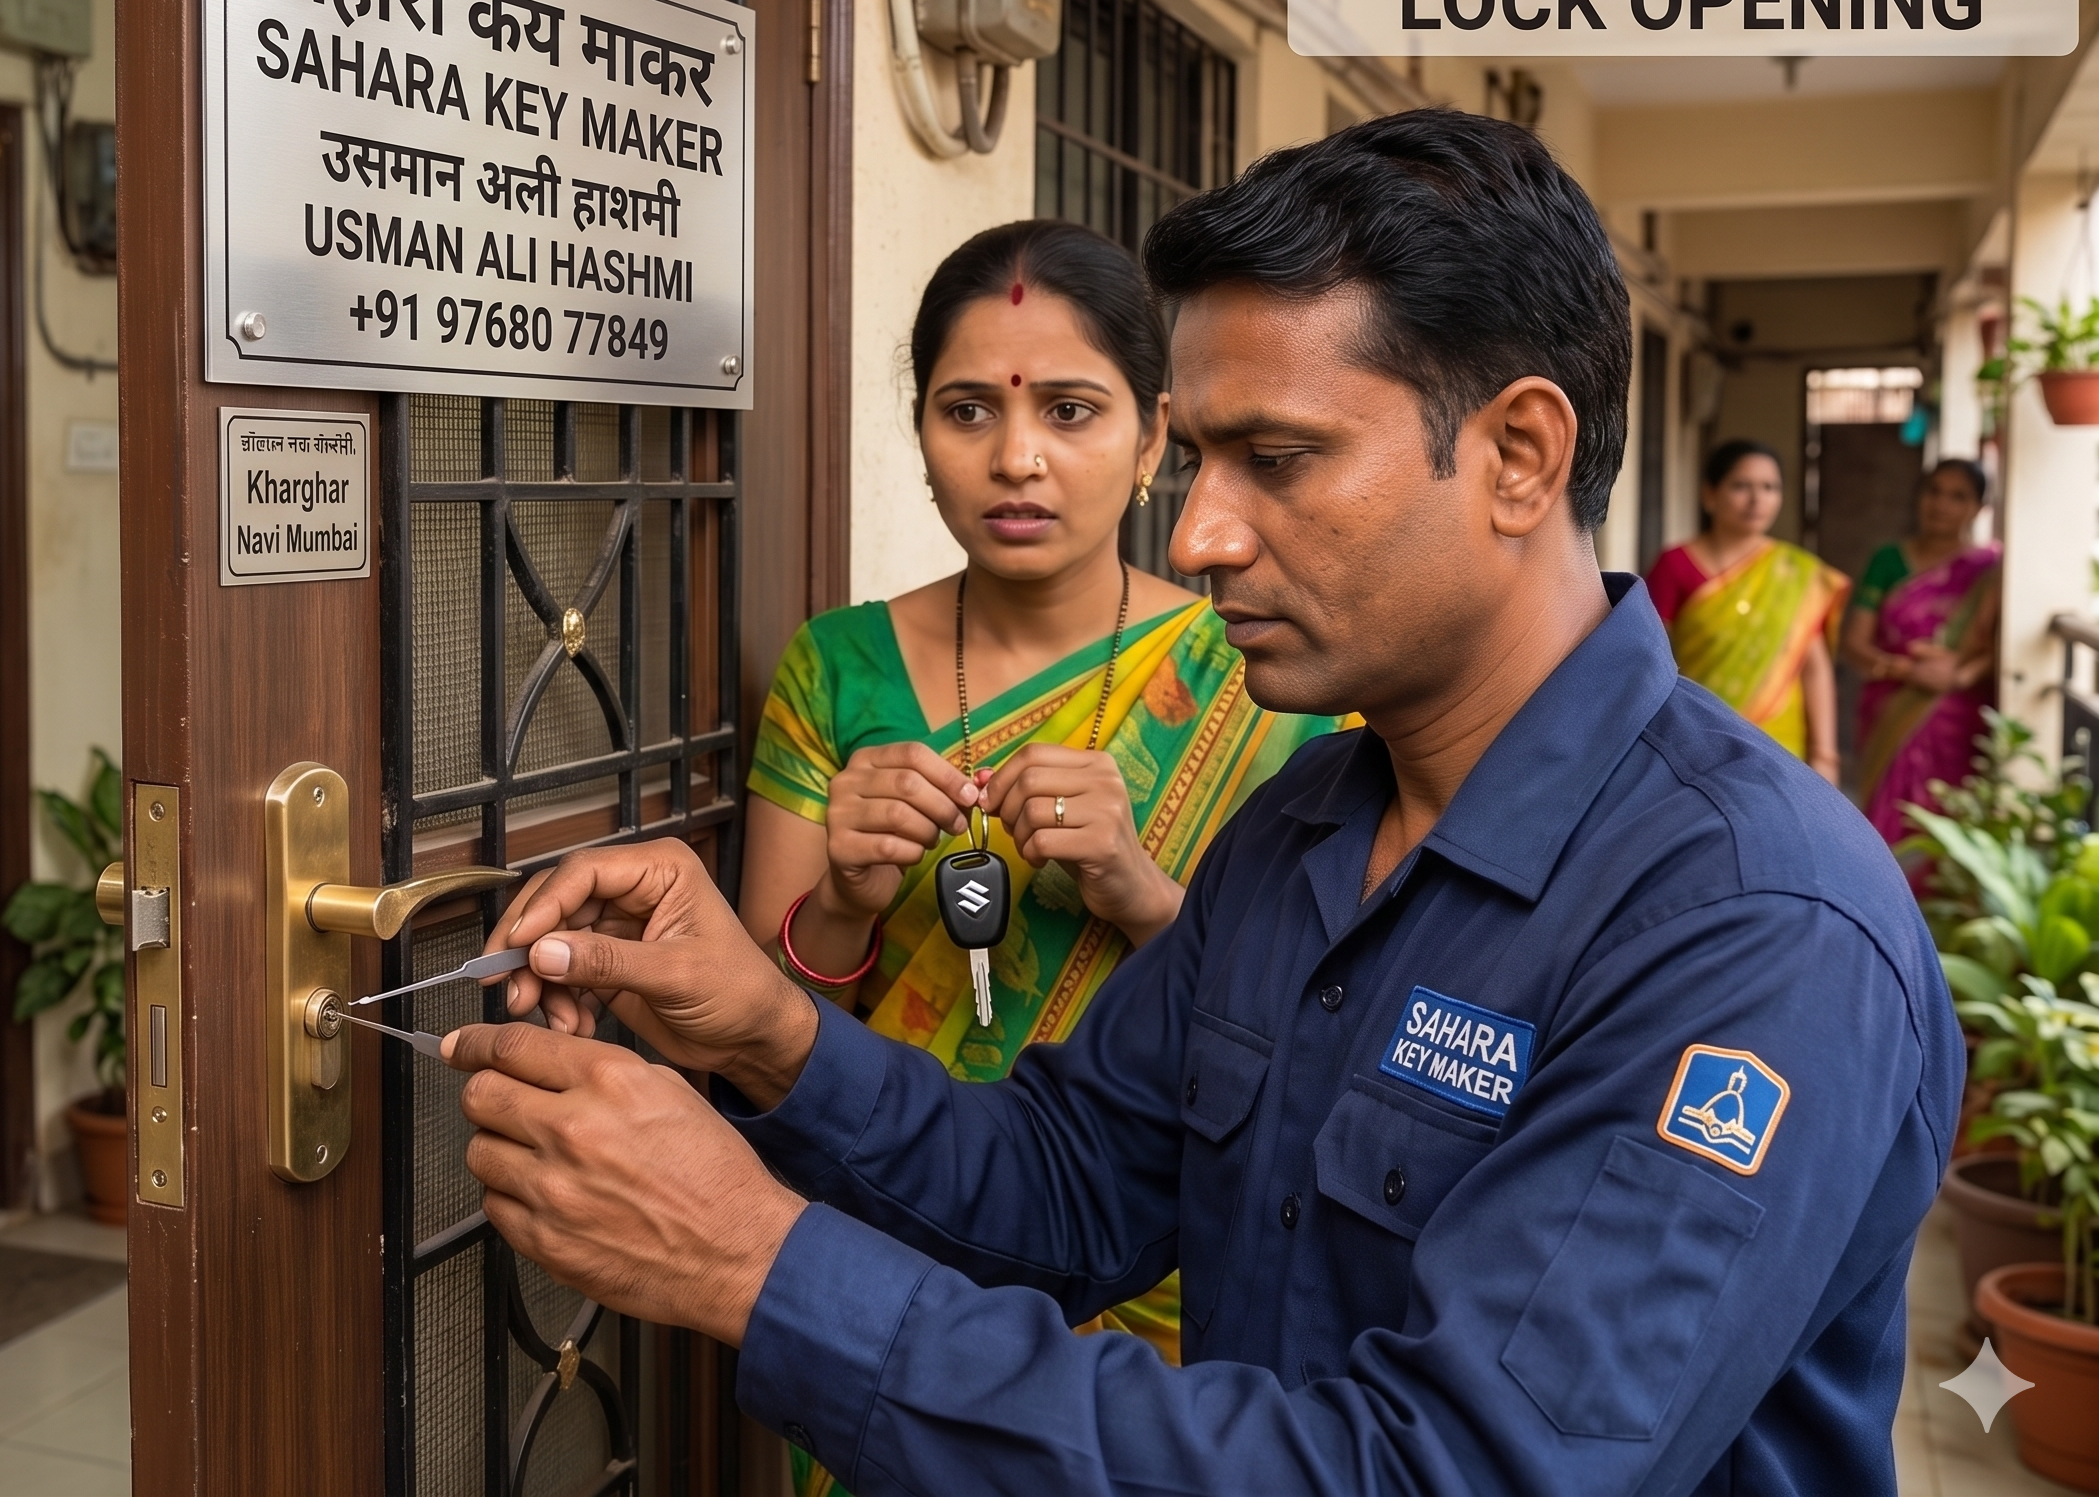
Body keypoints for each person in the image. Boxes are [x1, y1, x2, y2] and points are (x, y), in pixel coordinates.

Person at [440, 110, 1959, 1497]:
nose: (1210, 530)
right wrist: (766, 1031)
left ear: (1518, 454)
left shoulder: (1754, 923)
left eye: (1277, 458)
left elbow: (1447, 1473)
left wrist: (751, 1260)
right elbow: (1059, 1187)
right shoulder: (1302, 838)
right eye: (1205, 455)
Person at [742, 223, 1351, 1427]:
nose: (1015, 458)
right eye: (967, 412)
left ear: (1152, 438)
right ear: (920, 437)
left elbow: (1319, 1037)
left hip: (1166, 1270)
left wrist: (1135, 890)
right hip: (888, 1239)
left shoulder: (1262, 683)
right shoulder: (836, 668)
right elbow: (757, 1023)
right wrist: (844, 904)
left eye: (1069, 412)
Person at [1645, 441, 1848, 781]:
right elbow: (1648, 652)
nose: (1757, 500)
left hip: (1780, 744)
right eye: (1741, 486)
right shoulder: (1675, 565)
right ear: (1710, 495)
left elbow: (1814, 669)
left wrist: (1824, 754)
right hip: (1699, 736)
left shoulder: (1795, 572)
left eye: (1769, 487)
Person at [1842, 460, 2002, 848]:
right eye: (1934, 491)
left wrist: (1959, 677)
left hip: (1959, 716)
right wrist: (1907, 671)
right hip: (1891, 708)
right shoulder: (1888, 561)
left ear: (1979, 508)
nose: (1942, 504)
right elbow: (1854, 644)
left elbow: (1997, 651)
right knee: (1888, 824)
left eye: (1958, 496)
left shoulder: (1990, 569)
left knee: (1951, 824)